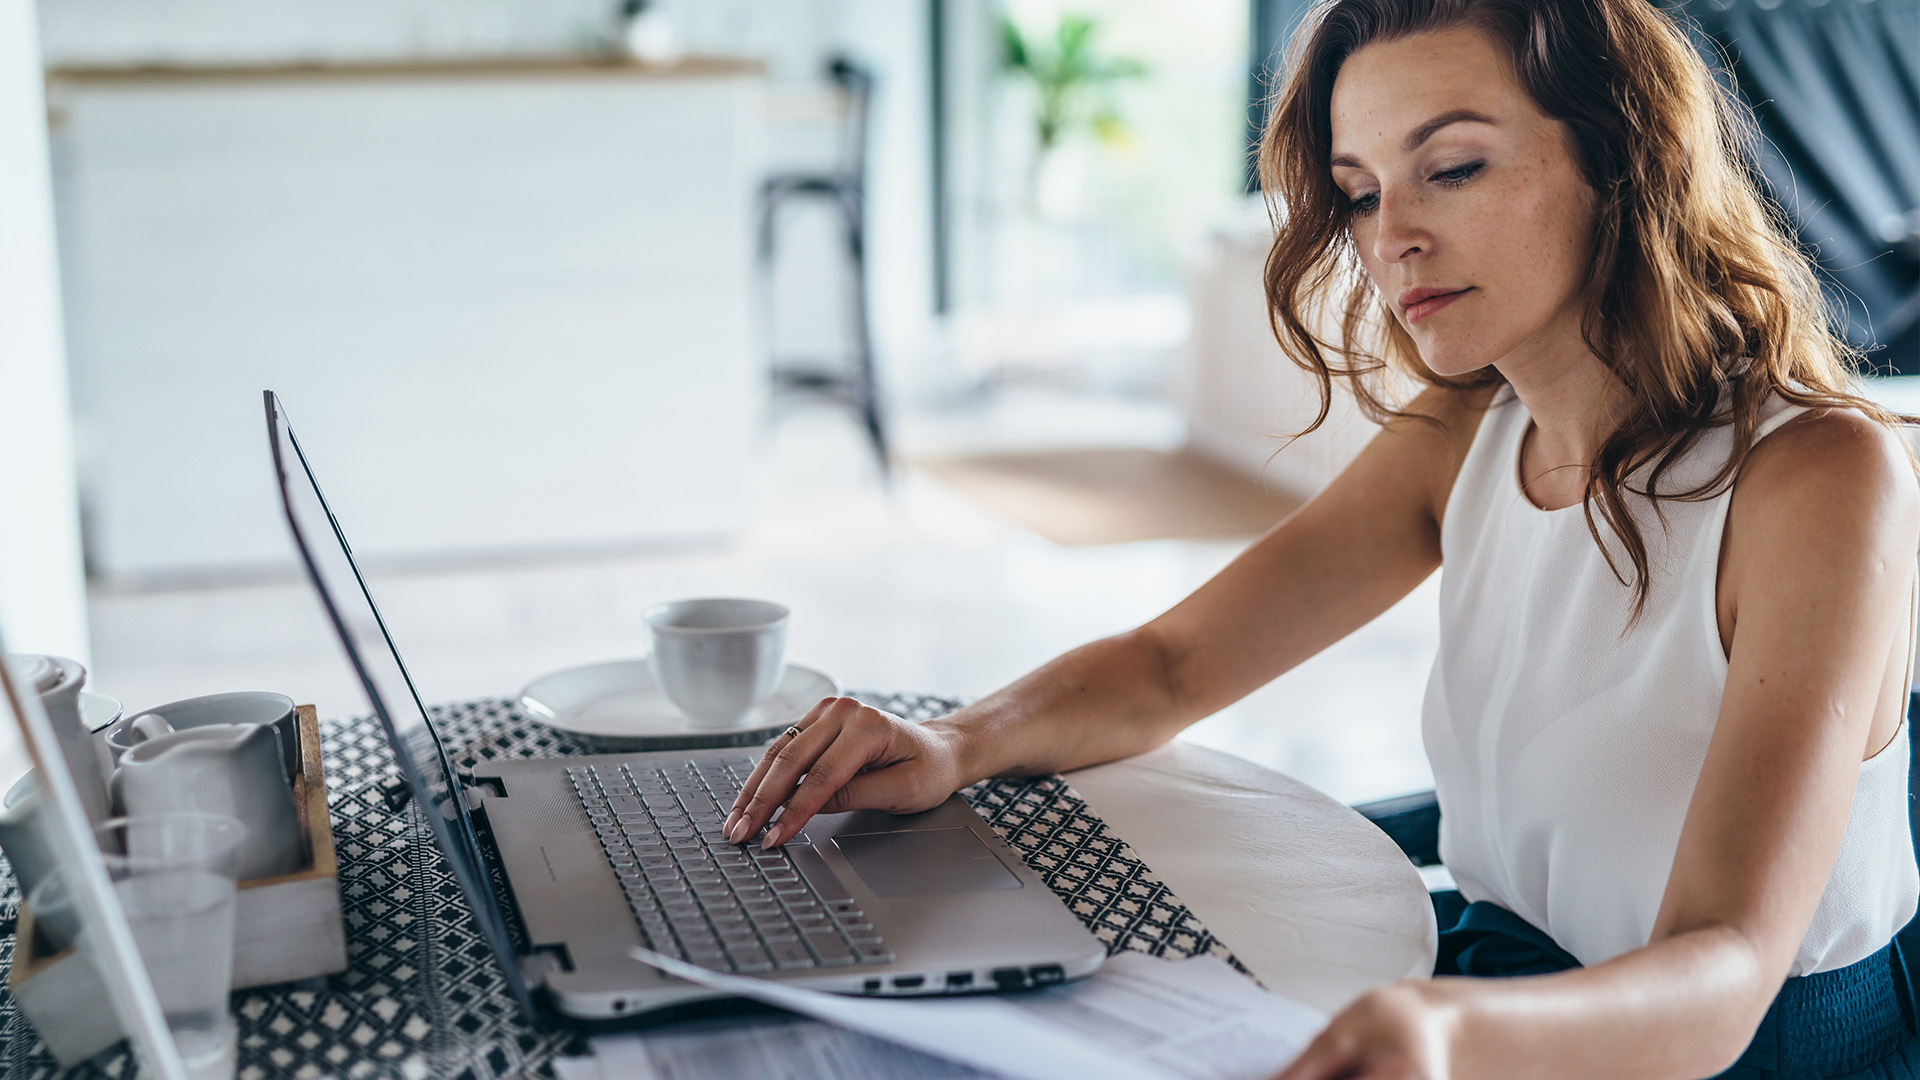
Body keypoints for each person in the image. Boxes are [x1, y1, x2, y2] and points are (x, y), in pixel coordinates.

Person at [723, 0, 1920, 1074]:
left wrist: (1447, 1031)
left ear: (1619, 159)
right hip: (1490, 1005)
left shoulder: (1817, 477)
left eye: (1450, 167)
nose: (1389, 235)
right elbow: (1173, 667)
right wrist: (950, 742)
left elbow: (1722, 980)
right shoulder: (1472, 428)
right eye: (1358, 190)